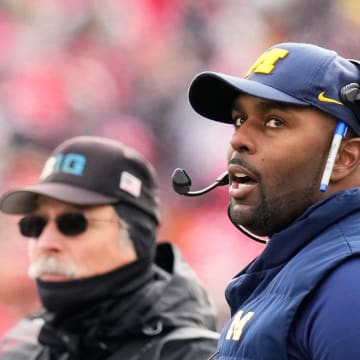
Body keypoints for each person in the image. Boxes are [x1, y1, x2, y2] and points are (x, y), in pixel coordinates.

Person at [185, 42, 360, 359]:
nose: (238, 139)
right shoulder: (304, 265)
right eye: (239, 119)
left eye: (274, 122)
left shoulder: (349, 284)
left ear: (344, 158)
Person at [0, 135, 219, 359]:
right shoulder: (22, 348)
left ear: (135, 237)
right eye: (34, 225)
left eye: (73, 224)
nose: (45, 243)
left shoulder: (192, 355)